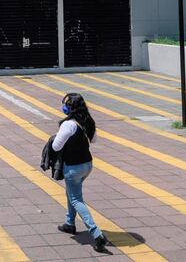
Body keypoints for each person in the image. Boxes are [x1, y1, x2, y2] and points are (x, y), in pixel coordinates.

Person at [52, 92, 108, 252]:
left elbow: (56, 146)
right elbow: (94, 140)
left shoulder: (68, 124)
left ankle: (97, 234)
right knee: (72, 192)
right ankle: (69, 223)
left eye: (65, 104)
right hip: (87, 165)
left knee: (76, 199)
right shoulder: (87, 121)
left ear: (70, 107)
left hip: (73, 167)